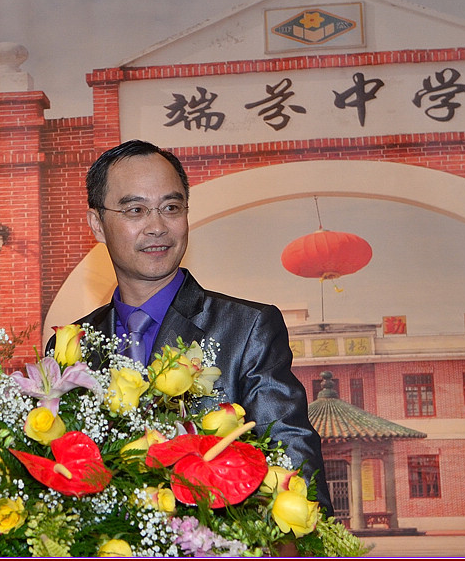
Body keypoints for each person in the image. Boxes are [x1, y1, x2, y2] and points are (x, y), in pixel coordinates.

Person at [57, 139, 333, 514]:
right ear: (97, 224)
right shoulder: (71, 345)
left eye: (171, 208)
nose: (157, 227)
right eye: (136, 210)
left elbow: (296, 467)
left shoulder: (247, 329)